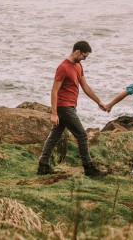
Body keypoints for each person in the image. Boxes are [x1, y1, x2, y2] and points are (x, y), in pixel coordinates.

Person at [37, 41, 108, 177]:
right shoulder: (63, 67)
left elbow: (85, 86)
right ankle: (89, 169)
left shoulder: (78, 66)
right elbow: (54, 91)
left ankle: (43, 165)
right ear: (77, 52)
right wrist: (54, 114)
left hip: (70, 107)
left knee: (54, 136)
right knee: (82, 135)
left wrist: (99, 102)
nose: (84, 59)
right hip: (64, 107)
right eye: (84, 56)